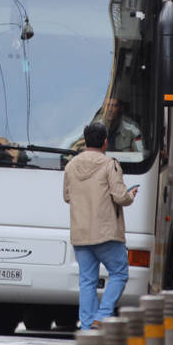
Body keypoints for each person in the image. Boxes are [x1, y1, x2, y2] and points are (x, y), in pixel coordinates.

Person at [63, 122, 138, 329]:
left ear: (86, 141)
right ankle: (102, 316)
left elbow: (67, 196)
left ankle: (87, 325)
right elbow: (120, 196)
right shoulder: (110, 165)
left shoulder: (71, 165)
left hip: (80, 233)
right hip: (106, 233)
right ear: (105, 142)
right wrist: (131, 195)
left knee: (87, 281)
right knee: (119, 273)